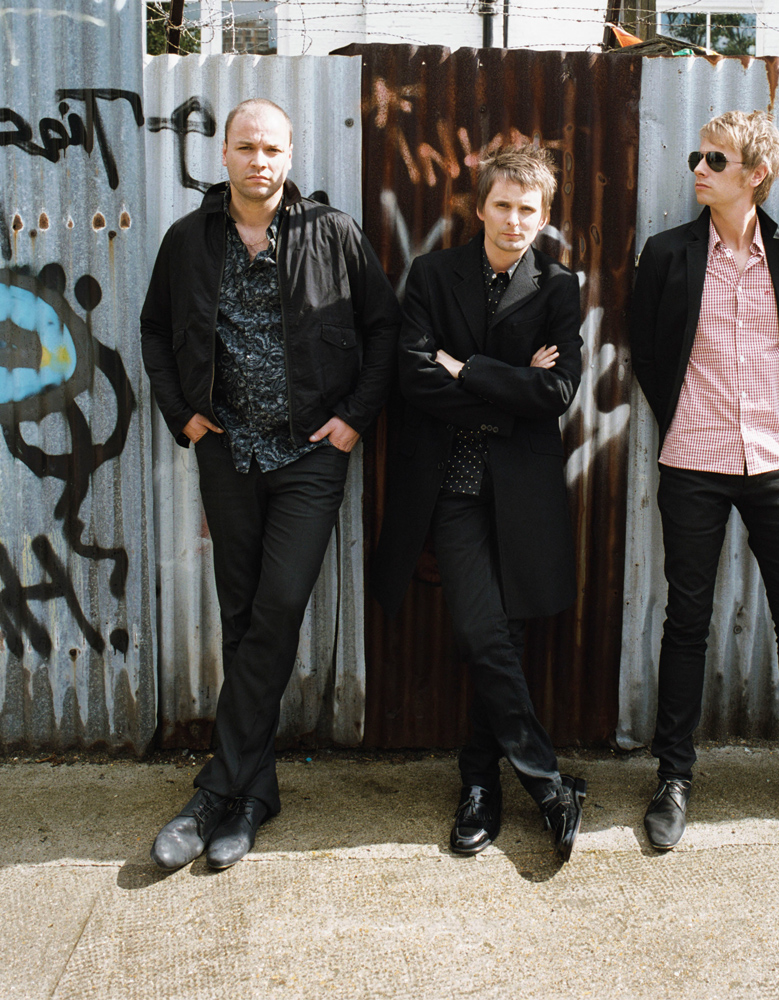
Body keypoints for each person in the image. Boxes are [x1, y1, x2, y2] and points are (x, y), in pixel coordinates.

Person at [140, 98, 400, 870]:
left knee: (278, 604)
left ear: (290, 155)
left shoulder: (333, 233)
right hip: (226, 451)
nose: (260, 160)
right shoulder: (188, 240)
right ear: (224, 154)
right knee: (241, 615)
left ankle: (215, 790)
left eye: (273, 148)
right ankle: (254, 795)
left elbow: (385, 327)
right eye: (247, 147)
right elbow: (155, 329)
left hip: (309, 455)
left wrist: (354, 418)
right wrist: (182, 414)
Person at [629, 110, 779, 850]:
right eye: (698, 155)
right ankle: (673, 777)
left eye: (716, 159)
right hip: (692, 458)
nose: (699, 168)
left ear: (756, 174)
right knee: (687, 620)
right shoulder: (667, 254)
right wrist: (686, 415)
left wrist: (766, 420)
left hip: (774, 461)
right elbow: (647, 352)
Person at [372, 145, 586, 861]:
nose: (514, 220)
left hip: (523, 493)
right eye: (503, 205)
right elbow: (413, 379)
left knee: (505, 638)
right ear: (481, 207)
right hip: (454, 487)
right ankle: (548, 785)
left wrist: (466, 369)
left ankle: (479, 785)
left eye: (528, 209)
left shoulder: (558, 287)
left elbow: (557, 392)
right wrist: (509, 387)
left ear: (544, 216)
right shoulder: (433, 275)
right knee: (480, 629)